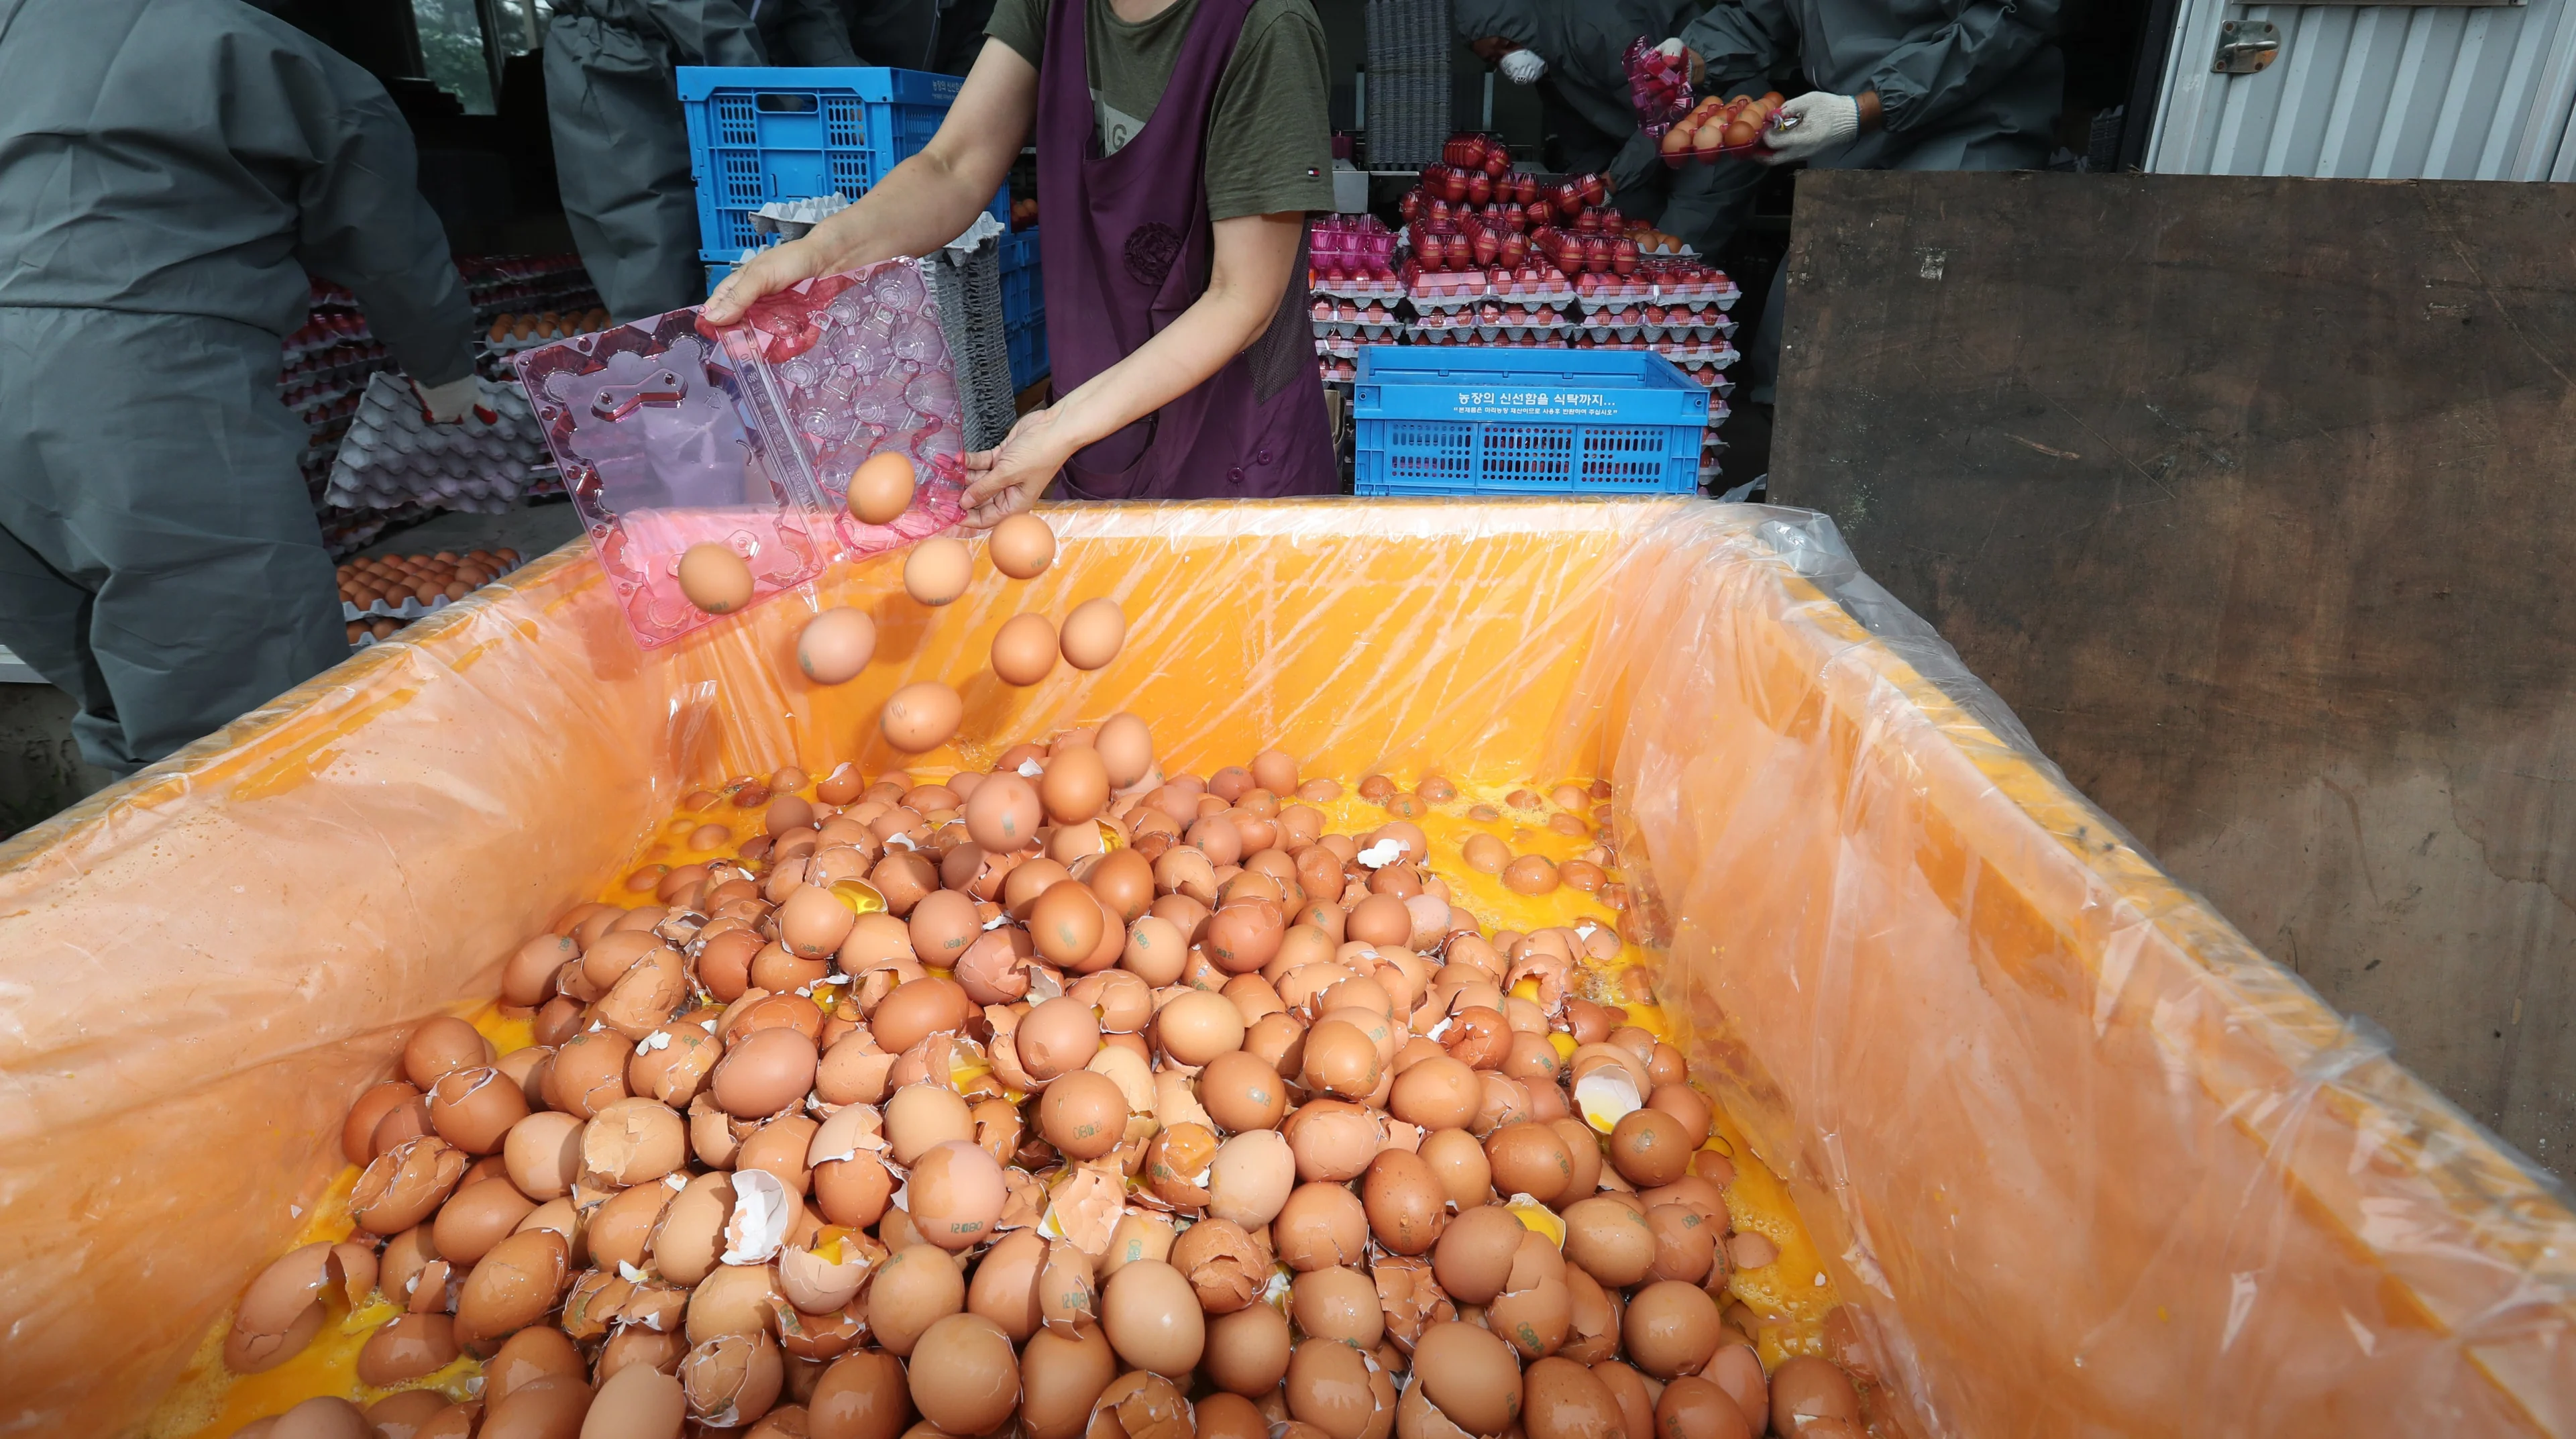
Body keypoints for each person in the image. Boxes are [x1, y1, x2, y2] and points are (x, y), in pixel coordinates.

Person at [0, 0, 479, 779]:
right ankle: (268, 890)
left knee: (118, 699)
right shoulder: (268, 54)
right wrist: (445, 366)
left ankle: (142, 881)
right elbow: (383, 237)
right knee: (257, 728)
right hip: (134, 392)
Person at [703, 0, 1339, 524]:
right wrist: (816, 255)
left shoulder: (1265, 28)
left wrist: (1059, 426)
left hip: (1233, 450)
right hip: (1101, 425)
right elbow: (953, 168)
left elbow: (1241, 297)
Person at [1673, 0, 2061, 398]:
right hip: (1851, 134)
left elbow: (2009, 17)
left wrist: (1863, 110)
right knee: (1794, 345)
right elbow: (1759, 15)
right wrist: (1693, 56)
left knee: (1925, 335)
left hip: (1969, 125)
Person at [546, 0, 858, 323]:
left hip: (723, 52)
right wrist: (773, 96)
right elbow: (696, 10)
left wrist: (853, 85)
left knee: (741, 222)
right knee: (654, 236)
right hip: (618, 50)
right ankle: (669, 360)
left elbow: (809, 10)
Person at [1454, 0, 1756, 254]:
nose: (1510, 64)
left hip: (1716, 121)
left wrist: (1614, 179)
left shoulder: (1597, 29)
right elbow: (1585, 142)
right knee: (1616, 233)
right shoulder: (1549, 62)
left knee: (1673, 253)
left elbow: (1669, 106)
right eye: (1495, 60)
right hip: (1650, 147)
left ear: (1525, 23)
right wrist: (1575, 192)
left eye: (1507, 46)